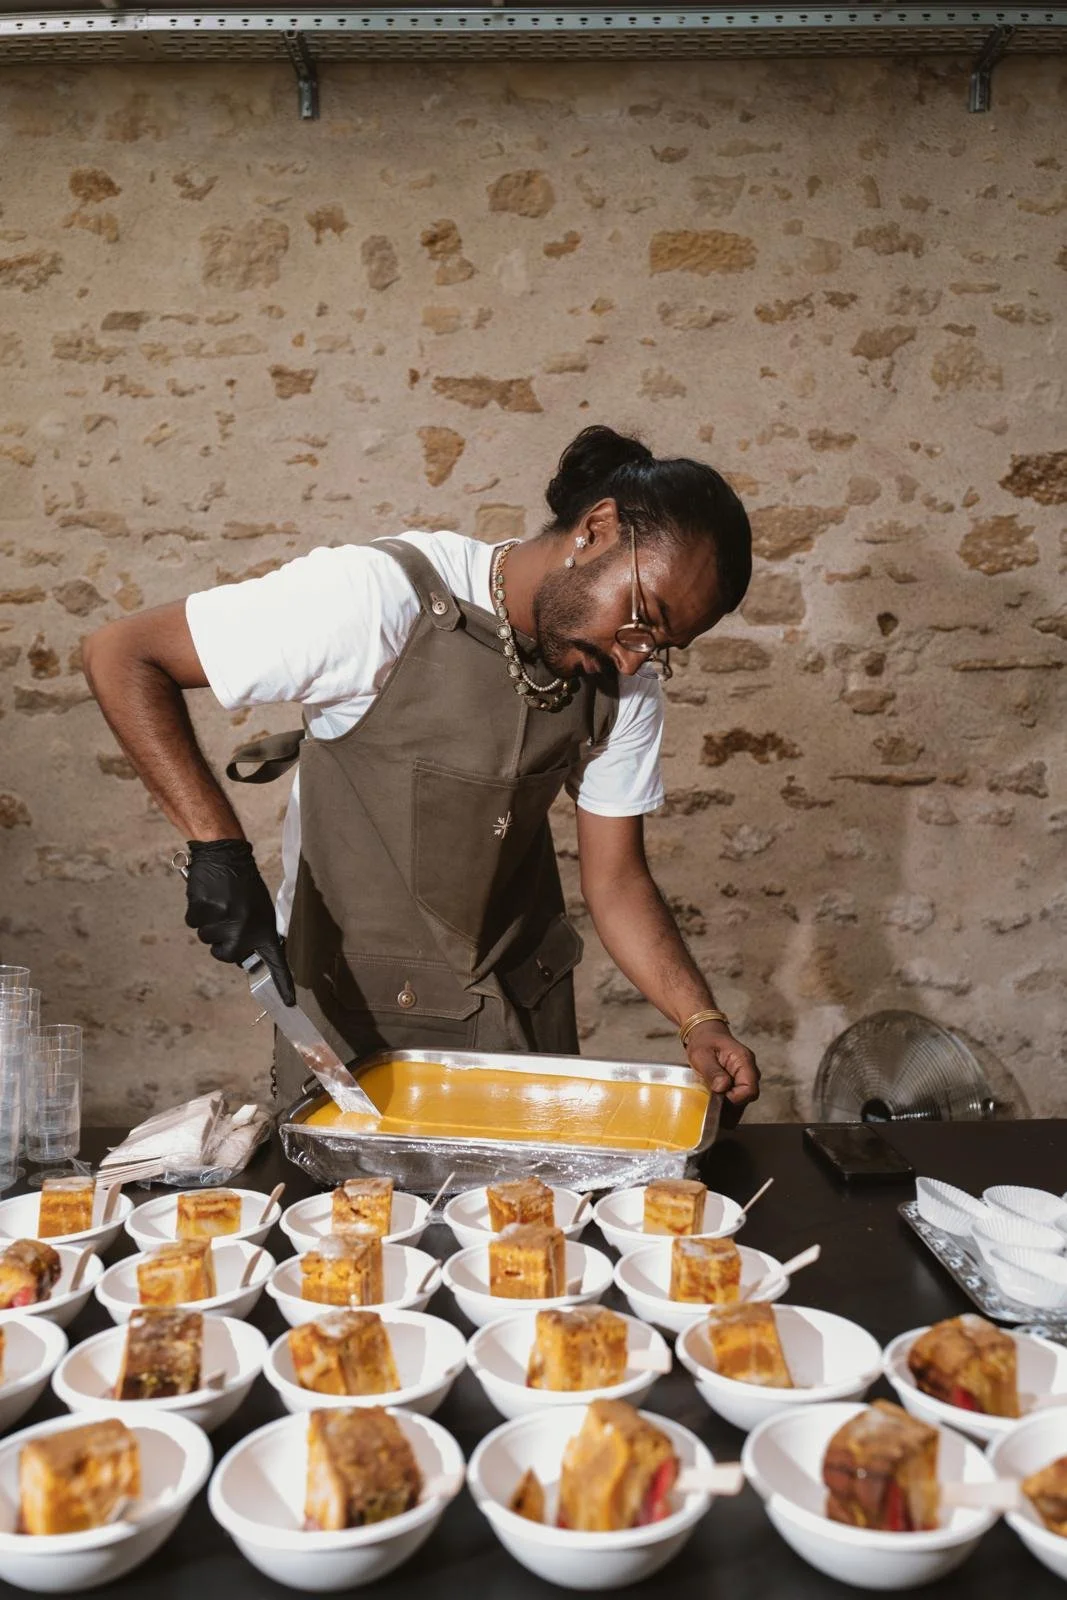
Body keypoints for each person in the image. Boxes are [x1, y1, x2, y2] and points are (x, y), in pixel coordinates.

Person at [83, 426, 760, 1121]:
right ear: (597, 528)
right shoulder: (377, 598)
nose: (631, 659)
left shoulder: (622, 681)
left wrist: (697, 1019)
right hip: (362, 1028)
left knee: (529, 1228)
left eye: (658, 648)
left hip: (522, 1026)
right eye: (642, 619)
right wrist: (217, 847)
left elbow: (615, 879)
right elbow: (121, 654)